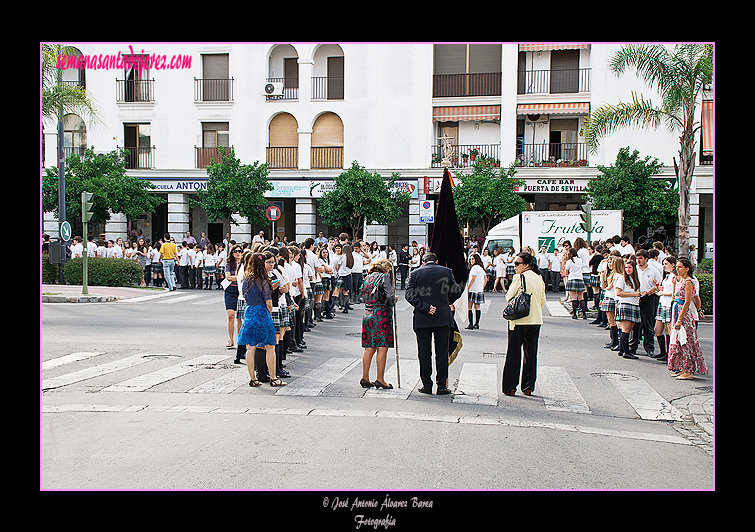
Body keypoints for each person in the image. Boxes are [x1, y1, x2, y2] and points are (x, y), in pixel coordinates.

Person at [404, 252, 462, 395]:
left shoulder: (415, 273)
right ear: (436, 261)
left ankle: (427, 385)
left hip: (422, 317)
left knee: (424, 353)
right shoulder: (446, 272)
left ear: (423, 262)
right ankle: (441, 385)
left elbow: (409, 295)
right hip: (442, 316)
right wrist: (444, 302)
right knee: (442, 353)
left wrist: (425, 306)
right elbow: (456, 292)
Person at [238, 251, 287, 387]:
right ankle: (273, 378)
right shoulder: (263, 281)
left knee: (250, 347)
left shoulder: (246, 279)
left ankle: (253, 378)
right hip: (262, 313)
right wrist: (268, 312)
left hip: (249, 312)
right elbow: (268, 302)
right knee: (270, 346)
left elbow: (245, 295)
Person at [501, 251, 546, 396]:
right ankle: (528, 386)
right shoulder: (539, 278)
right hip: (536, 320)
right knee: (531, 354)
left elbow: (509, 296)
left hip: (519, 321)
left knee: (514, 353)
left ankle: (510, 386)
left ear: (526, 265)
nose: (514, 266)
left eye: (517, 264)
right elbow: (542, 301)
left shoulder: (519, 278)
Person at [667, 258, 709, 380]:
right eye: (677, 267)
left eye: (680, 267)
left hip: (684, 315)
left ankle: (689, 370)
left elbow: (687, 301)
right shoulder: (681, 281)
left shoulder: (689, 282)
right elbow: (674, 297)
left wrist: (680, 319)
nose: (678, 269)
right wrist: (674, 284)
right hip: (677, 311)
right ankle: (683, 368)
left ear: (687, 268)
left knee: (686, 342)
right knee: (679, 342)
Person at [359, 258, 398, 389]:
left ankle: (365, 377)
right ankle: (380, 379)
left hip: (368, 313)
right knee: (382, 346)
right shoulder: (384, 277)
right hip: (381, 314)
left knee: (369, 347)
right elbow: (389, 297)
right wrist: (394, 299)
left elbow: (361, 295)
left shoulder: (367, 277)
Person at [635, 249, 663, 356]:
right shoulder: (634, 269)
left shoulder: (653, 270)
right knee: (635, 324)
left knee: (648, 325)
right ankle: (633, 345)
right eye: (637, 258)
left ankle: (649, 348)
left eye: (640, 258)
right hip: (636, 298)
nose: (638, 260)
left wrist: (653, 289)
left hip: (648, 299)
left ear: (646, 259)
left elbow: (659, 284)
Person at [614, 259, 642, 359]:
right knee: (625, 329)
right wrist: (633, 294)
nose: (628, 269)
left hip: (634, 304)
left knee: (629, 328)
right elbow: (618, 293)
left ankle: (622, 349)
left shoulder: (635, 279)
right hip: (626, 304)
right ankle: (626, 351)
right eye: (626, 267)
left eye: (630, 267)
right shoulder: (622, 278)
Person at [652, 255, 677, 363]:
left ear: (673, 265)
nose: (664, 266)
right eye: (664, 264)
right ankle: (663, 351)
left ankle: (668, 354)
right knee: (657, 329)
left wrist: (663, 293)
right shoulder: (667, 276)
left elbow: (675, 293)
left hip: (668, 304)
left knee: (668, 330)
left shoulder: (674, 277)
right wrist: (658, 287)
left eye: (666, 264)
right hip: (662, 304)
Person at [224, 244, 243, 349]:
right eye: (235, 251)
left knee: (239, 317)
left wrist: (235, 277)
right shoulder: (229, 264)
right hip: (230, 290)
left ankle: (238, 338)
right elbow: (228, 277)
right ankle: (230, 339)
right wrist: (238, 277)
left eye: (239, 251)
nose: (237, 253)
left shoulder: (243, 264)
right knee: (230, 315)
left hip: (240, 290)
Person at [564, 248, 587, 319]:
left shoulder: (569, 261)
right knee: (581, 297)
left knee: (574, 298)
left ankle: (574, 314)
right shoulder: (580, 260)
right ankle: (584, 314)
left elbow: (566, 272)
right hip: (580, 278)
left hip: (572, 278)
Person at [465, 253, 486, 330]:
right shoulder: (481, 268)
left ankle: (470, 324)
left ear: (476, 259)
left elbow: (473, 279)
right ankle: (477, 324)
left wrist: (468, 288)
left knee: (469, 307)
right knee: (477, 307)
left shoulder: (474, 268)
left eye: (473, 259)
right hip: (479, 290)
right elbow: (485, 279)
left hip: (472, 290)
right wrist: (482, 287)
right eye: (470, 259)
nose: (471, 261)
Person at [333, 244, 355, 314]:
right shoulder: (351, 257)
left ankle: (331, 307)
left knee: (336, 292)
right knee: (346, 293)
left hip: (342, 275)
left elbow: (338, 266)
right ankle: (346, 308)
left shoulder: (342, 257)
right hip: (348, 275)